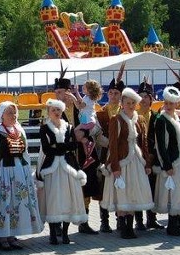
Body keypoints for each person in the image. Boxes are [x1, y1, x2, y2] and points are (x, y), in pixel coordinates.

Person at [0, 101, 42, 250]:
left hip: (20, 171)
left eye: (14, 112)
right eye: (9, 112)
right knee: (4, 202)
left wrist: (28, 172)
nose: (13, 115)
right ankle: (2, 235)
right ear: (1, 115)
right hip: (3, 171)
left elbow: (25, 153)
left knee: (17, 203)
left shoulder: (19, 130)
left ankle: (12, 234)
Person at [100, 87, 155, 239]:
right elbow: (113, 145)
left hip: (137, 161)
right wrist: (115, 166)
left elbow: (143, 143)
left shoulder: (140, 119)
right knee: (122, 194)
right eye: (127, 103)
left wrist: (147, 163)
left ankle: (130, 226)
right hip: (122, 162)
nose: (130, 105)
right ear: (122, 103)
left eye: (133, 103)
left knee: (133, 193)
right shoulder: (116, 120)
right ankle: (123, 227)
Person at [37, 99, 87, 245]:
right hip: (52, 168)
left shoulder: (69, 127)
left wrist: (58, 146)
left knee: (67, 199)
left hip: (68, 168)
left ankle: (65, 233)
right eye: (53, 110)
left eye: (58, 110)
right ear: (49, 112)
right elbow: (46, 149)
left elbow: (74, 145)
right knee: (52, 200)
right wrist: (64, 147)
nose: (56, 112)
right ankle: (53, 233)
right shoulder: (44, 128)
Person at [152, 87, 180, 236]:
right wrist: (167, 165)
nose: (168, 106)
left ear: (176, 104)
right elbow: (160, 145)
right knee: (172, 194)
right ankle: (172, 225)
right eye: (166, 103)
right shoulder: (161, 120)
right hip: (172, 163)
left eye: (171, 103)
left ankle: (177, 222)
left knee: (179, 192)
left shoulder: (175, 118)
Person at [94, 75, 124, 233]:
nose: (113, 96)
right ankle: (104, 221)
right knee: (103, 186)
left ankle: (121, 219)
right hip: (105, 153)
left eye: (116, 93)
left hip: (122, 154)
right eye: (111, 93)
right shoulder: (102, 112)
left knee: (121, 186)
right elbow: (97, 135)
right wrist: (109, 144)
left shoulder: (124, 112)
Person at [134, 78, 161, 231]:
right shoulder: (134, 115)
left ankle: (151, 218)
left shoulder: (156, 116)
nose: (143, 99)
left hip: (153, 156)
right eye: (141, 96)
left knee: (152, 188)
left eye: (146, 96)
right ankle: (138, 220)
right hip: (138, 156)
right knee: (139, 188)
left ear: (151, 99)